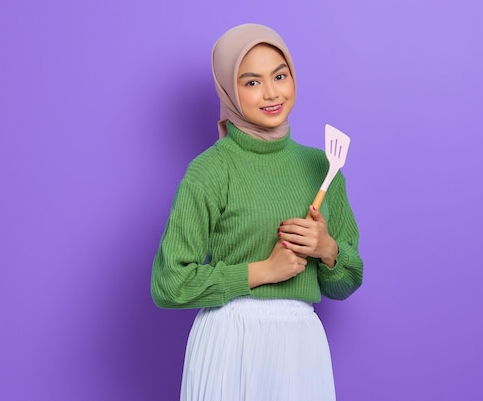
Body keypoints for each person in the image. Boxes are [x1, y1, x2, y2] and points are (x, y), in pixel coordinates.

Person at [151, 23, 363, 401]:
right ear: (229, 91)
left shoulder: (323, 167)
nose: (271, 93)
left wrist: (327, 250)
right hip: (232, 343)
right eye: (251, 82)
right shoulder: (210, 170)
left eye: (280, 76)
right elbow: (169, 284)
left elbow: (345, 285)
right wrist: (262, 271)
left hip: (302, 346)